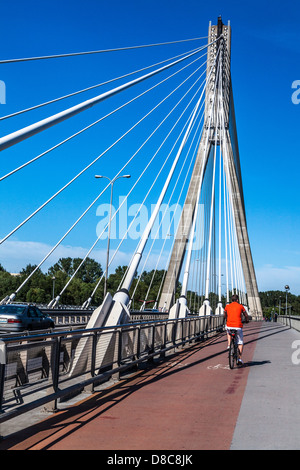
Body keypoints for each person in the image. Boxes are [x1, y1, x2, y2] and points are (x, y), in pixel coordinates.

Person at [224, 294, 249, 366]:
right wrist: (247, 320)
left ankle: (229, 345)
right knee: (240, 342)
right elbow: (246, 315)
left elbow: (224, 314)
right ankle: (239, 359)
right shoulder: (241, 306)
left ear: (232, 300)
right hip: (238, 326)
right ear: (237, 300)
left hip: (229, 325)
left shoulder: (227, 306)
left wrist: (226, 318)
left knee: (228, 332)